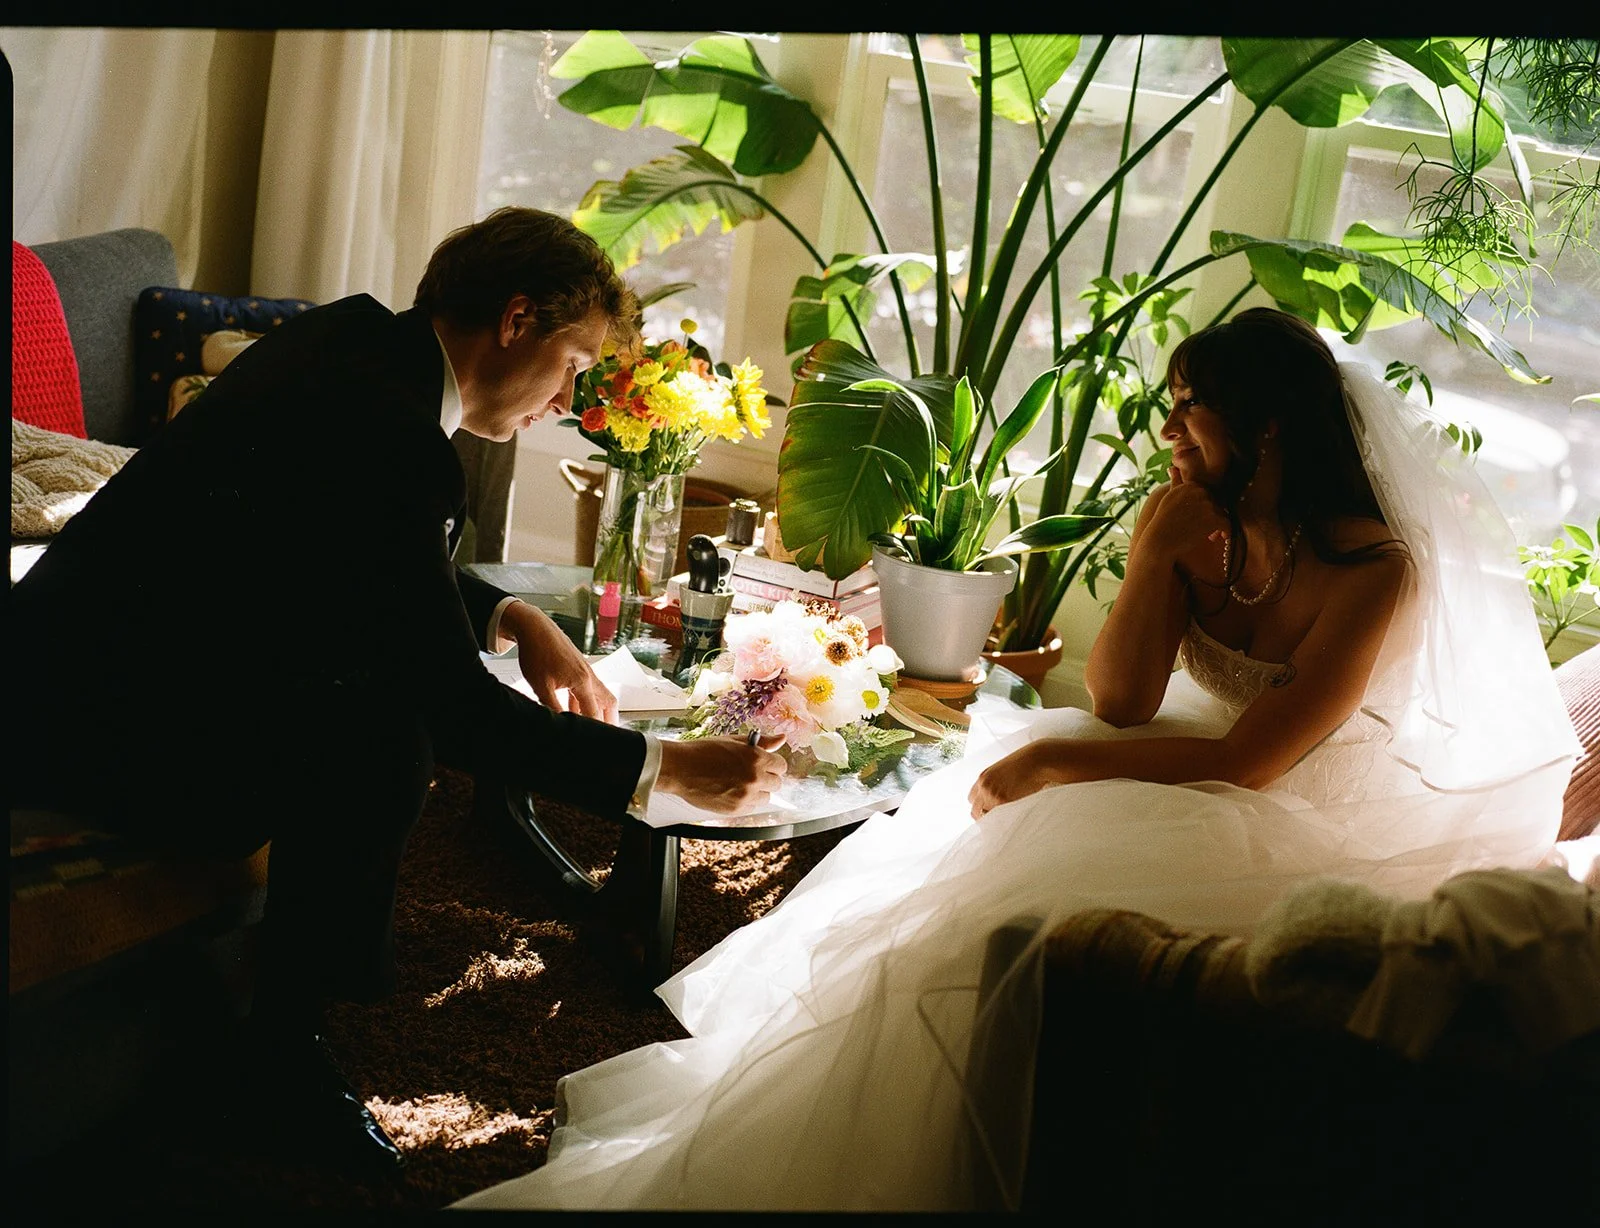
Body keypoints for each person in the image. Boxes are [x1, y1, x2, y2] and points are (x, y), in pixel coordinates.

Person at [452, 307, 1580, 1211]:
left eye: (1188, 409)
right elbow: (1125, 698)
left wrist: (1057, 770)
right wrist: (1151, 563)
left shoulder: (1371, 567)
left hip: (1315, 798)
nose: (1168, 429)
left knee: (1032, 831)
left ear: (1266, 427)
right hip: (1191, 750)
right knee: (973, 848)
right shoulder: (1189, 520)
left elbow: (1252, 761)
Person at [7, 207, 787, 1177]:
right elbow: (460, 707)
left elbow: (352, 552)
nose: (567, 399)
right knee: (385, 728)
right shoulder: (391, 428)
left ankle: (290, 1025)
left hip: (75, 669)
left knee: (374, 691)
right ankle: (284, 1051)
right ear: (514, 321)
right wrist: (663, 767)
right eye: (572, 364)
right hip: (87, 725)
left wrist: (509, 614)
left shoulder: (351, 341)